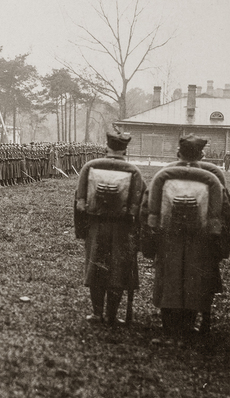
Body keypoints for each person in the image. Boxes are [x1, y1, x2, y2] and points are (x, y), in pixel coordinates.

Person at [143, 135, 226, 340]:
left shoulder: (164, 175)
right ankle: (188, 328)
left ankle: (168, 328)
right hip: (201, 240)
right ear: (202, 154)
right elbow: (224, 211)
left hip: (168, 237)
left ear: (178, 153)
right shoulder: (212, 175)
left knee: (168, 277)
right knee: (194, 279)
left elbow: (148, 206)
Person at [74, 131, 144, 326]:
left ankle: (97, 313)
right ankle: (112, 315)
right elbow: (139, 205)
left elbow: (78, 200)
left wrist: (82, 230)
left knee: (96, 266)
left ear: (107, 146)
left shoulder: (90, 166)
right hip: (123, 229)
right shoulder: (134, 171)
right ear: (125, 149)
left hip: (96, 227)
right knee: (118, 271)